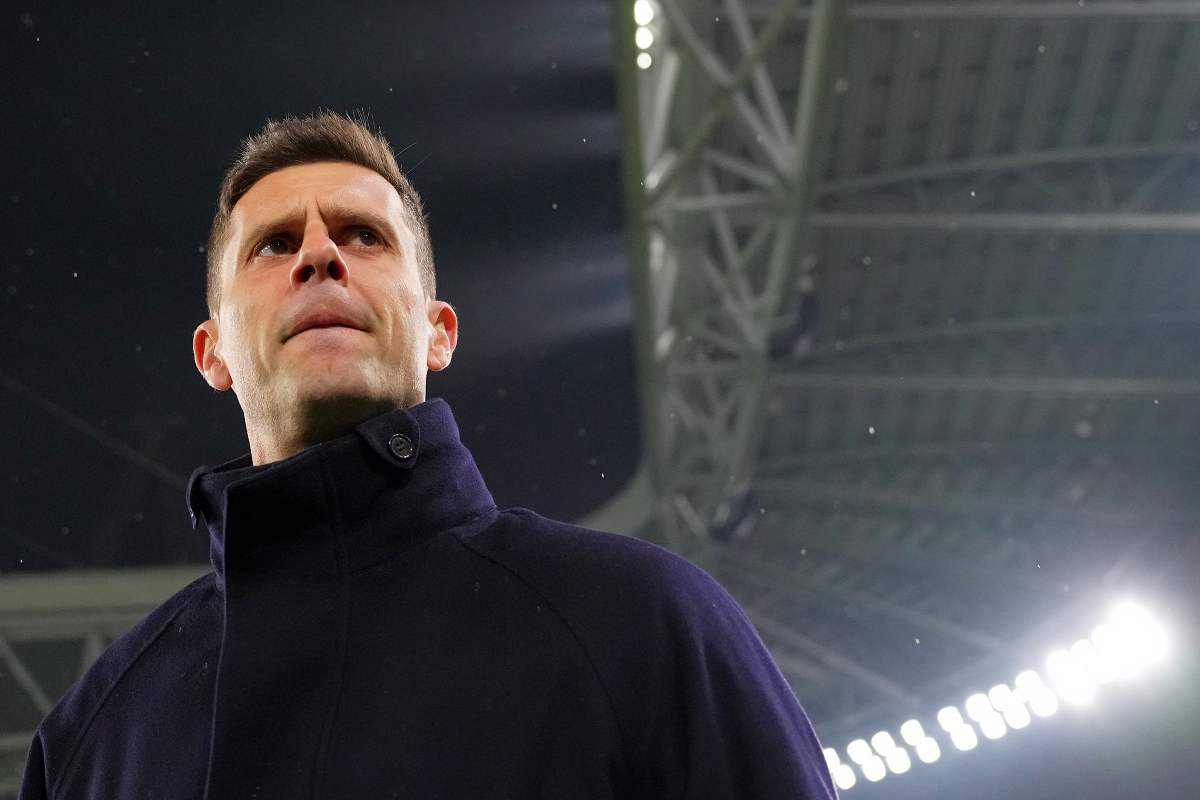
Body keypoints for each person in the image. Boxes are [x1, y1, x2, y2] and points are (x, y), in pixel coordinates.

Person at [18, 111, 837, 800]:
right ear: (213, 353)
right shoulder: (91, 741)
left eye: (363, 235)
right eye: (272, 245)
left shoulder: (643, 622)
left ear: (438, 332)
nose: (319, 255)